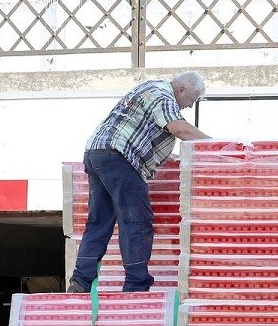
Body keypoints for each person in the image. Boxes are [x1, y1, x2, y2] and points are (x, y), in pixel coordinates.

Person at [67, 71, 211, 293]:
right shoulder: (164, 96)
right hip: (120, 159)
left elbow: (140, 130)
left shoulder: (149, 88)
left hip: (97, 155)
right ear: (181, 90)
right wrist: (217, 146)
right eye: (191, 100)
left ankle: (81, 280)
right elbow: (179, 128)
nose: (189, 107)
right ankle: (136, 285)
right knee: (137, 223)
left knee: (99, 223)